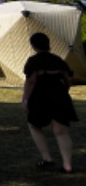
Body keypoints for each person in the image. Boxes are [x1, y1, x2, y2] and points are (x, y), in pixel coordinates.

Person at [22, 32, 79, 173]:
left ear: (33, 45)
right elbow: (67, 80)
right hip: (59, 97)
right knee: (61, 132)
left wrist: (25, 99)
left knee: (34, 125)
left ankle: (47, 158)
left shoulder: (33, 61)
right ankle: (67, 166)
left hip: (40, 98)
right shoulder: (58, 60)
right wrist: (64, 91)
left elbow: (31, 81)